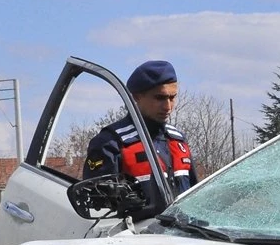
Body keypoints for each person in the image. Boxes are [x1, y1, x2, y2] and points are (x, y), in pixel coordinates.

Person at [82, 60, 198, 218]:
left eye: (172, 98)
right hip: (135, 239)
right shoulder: (111, 143)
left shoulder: (178, 142)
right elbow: (100, 211)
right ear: (137, 97)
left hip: (183, 237)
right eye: (160, 98)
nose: (168, 106)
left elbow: (196, 197)